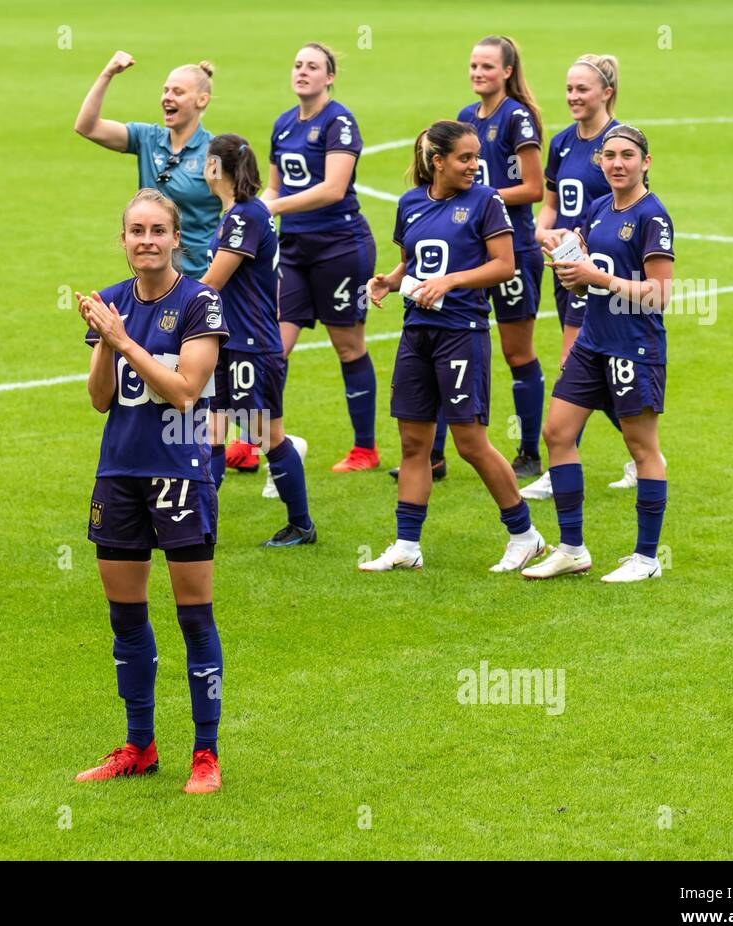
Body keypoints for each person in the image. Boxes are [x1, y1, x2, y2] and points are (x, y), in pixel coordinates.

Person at [74, 188, 228, 793]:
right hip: (119, 474)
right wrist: (102, 343)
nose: (146, 240)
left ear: (175, 238)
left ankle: (206, 752)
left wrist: (123, 340)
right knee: (126, 617)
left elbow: (186, 390)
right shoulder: (111, 303)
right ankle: (139, 745)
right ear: (123, 240)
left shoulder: (199, 302)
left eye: (156, 230)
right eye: (135, 230)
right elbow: (99, 399)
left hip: (180, 476)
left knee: (194, 618)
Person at [360, 122, 545, 574]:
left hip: (462, 332)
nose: (474, 165)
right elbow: (413, 262)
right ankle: (407, 544)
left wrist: (452, 280)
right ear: (437, 161)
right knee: (412, 443)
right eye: (464, 158)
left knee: (469, 442)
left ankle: (525, 535)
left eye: (475, 156)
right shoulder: (410, 203)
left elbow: (505, 265)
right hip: (417, 331)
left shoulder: (485, 201)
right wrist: (388, 279)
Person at [523, 125, 672, 583]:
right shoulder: (600, 207)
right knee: (557, 433)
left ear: (645, 162)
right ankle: (571, 548)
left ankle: (646, 559)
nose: (617, 163)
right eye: (609, 155)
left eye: (627, 155)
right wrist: (568, 262)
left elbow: (659, 294)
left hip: (634, 345)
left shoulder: (653, 217)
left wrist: (597, 278)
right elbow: (586, 264)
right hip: (592, 341)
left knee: (641, 446)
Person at [524, 54, 656, 500]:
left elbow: (634, 208)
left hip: (602, 277)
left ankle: (561, 462)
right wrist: (544, 233)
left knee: (573, 366)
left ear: (607, 93)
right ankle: (643, 455)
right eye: (568, 89)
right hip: (569, 268)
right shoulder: (562, 143)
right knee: (589, 368)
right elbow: (550, 203)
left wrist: (595, 264)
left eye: (582, 89)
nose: (573, 97)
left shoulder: (619, 144)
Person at [264, 42, 380, 474]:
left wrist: (273, 209)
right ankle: (261, 439)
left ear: (329, 77)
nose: (302, 72)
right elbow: (274, 188)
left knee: (348, 347)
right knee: (272, 349)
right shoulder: (283, 124)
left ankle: (364, 449)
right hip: (294, 250)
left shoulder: (339, 122)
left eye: (312, 66)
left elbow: (333, 188)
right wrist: (253, 208)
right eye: (297, 65)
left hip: (340, 247)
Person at [200, 135, 315, 546]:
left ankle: (301, 524)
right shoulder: (239, 212)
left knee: (267, 436)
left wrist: (166, 304)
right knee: (211, 430)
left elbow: (213, 281)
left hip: (251, 345)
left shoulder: (244, 217)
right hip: (230, 343)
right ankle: (200, 525)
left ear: (216, 166)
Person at [454, 35, 547, 480]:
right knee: (449, 339)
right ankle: (433, 453)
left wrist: (480, 200)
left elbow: (533, 188)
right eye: (473, 65)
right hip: (471, 253)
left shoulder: (517, 117)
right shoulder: (465, 118)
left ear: (507, 71)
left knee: (516, 352)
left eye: (487, 66)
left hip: (514, 249)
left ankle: (529, 451)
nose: (477, 73)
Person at [74, 51, 222, 280]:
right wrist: (108, 73)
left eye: (178, 92)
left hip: (199, 277)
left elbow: (235, 207)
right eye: (165, 90)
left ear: (201, 100)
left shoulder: (215, 153)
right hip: (152, 276)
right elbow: (87, 126)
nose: (167, 97)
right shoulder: (147, 138)